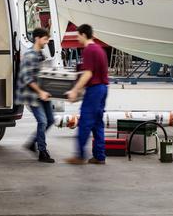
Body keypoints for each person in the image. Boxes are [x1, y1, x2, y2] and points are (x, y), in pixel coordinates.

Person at [65, 24, 109, 165]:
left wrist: (75, 90)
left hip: (94, 90)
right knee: (97, 123)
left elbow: (88, 74)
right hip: (103, 89)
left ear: (84, 35)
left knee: (85, 122)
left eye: (78, 36)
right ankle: (99, 156)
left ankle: (79, 156)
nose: (77, 39)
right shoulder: (99, 49)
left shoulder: (89, 50)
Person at [17, 27, 56, 163]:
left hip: (43, 93)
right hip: (33, 95)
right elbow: (27, 78)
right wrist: (41, 92)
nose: (47, 42)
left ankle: (32, 142)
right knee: (43, 121)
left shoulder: (41, 55)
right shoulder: (29, 55)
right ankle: (42, 152)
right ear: (37, 39)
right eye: (45, 39)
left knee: (50, 120)